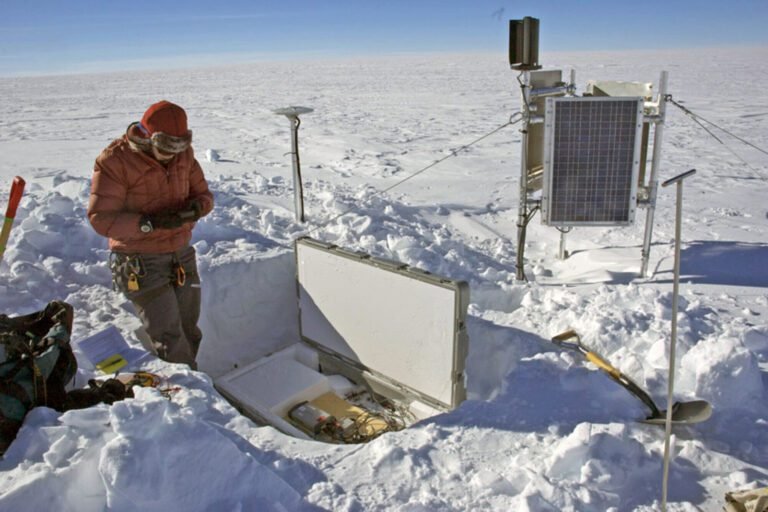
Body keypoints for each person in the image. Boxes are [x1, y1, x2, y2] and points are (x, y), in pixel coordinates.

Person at [88, 100, 214, 369]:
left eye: (178, 149)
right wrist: (148, 223)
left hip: (181, 256)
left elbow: (204, 195)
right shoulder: (115, 161)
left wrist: (196, 208)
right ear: (147, 136)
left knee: (189, 330)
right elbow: (100, 219)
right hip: (140, 262)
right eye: (166, 148)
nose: (172, 156)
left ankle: (193, 382)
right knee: (170, 338)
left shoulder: (183, 155)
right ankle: (188, 389)